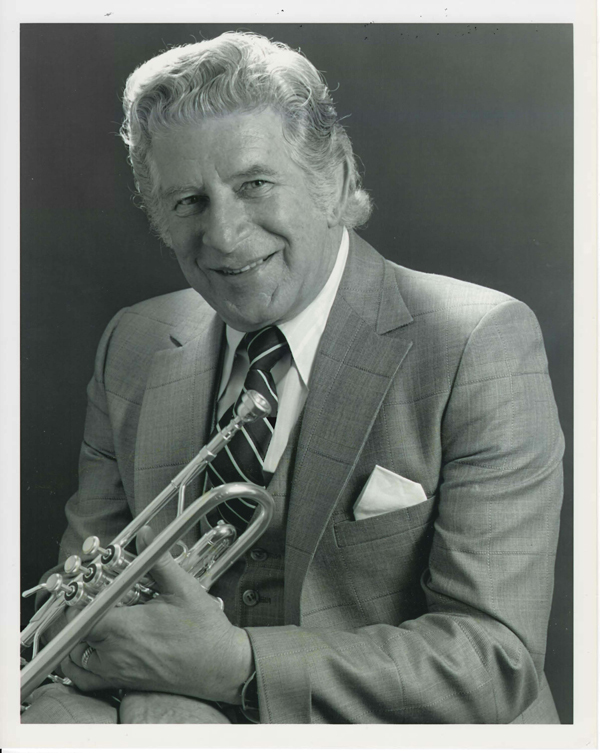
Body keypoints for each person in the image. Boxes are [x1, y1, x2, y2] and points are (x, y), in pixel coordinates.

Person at [22, 30, 564, 724]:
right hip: (169, 705)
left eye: (254, 185)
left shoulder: (476, 341)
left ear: (333, 180)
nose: (223, 235)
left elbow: (495, 656)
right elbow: (81, 600)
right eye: (188, 201)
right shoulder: (134, 342)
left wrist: (236, 664)